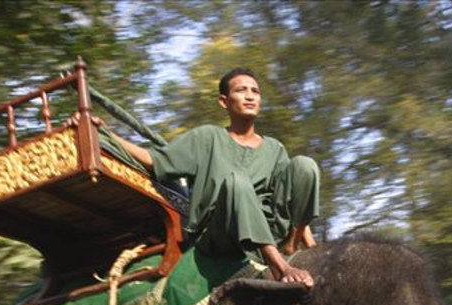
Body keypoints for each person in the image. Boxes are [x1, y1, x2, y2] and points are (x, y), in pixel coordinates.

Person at [101, 67, 319, 288]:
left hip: (269, 227)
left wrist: (311, 246)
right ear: (224, 101)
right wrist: (107, 134)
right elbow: (153, 159)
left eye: (255, 91)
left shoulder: (274, 148)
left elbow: (294, 197)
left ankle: (289, 247)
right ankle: (280, 267)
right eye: (241, 90)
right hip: (220, 232)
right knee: (237, 182)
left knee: (305, 165)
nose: (250, 95)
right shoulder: (206, 138)